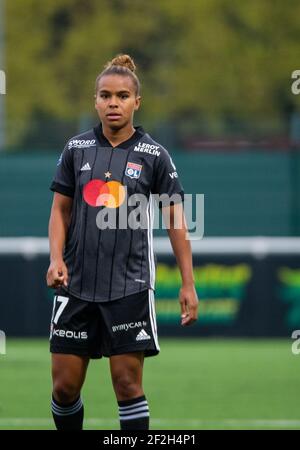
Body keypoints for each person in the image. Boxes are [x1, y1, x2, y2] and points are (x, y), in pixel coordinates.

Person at [46, 54, 199, 431]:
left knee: (127, 385)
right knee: (64, 388)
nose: (113, 103)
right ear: (95, 100)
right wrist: (55, 259)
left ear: (136, 102)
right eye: (105, 95)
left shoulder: (155, 156)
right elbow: (60, 211)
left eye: (122, 96)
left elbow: (176, 220)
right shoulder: (75, 149)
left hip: (129, 286)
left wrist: (188, 282)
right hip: (76, 285)